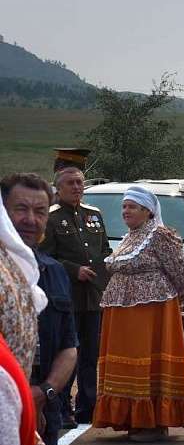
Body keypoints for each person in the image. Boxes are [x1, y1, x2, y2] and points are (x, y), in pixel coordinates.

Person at [93, 186, 184, 441]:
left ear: (148, 211)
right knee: (127, 362)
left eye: (132, 207)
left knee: (147, 361)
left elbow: (180, 271)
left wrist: (178, 301)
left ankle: (154, 422)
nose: (126, 211)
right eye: (124, 207)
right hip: (123, 312)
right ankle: (131, 419)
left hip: (152, 312)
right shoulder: (131, 236)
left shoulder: (159, 235)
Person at [0, 190, 72, 445]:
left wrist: (44, 393)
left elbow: (70, 346)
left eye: (40, 211)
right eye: (21, 209)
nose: (30, 219)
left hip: (43, 402)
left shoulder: (54, 272)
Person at [41, 166, 111, 425]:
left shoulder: (93, 215)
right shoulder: (51, 218)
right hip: (65, 297)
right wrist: (73, 270)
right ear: (58, 188)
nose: (76, 187)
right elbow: (45, 257)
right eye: (70, 183)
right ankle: (62, 408)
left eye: (80, 183)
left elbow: (103, 250)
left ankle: (88, 406)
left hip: (92, 296)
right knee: (67, 352)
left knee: (90, 356)